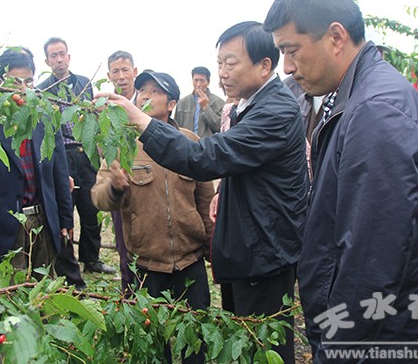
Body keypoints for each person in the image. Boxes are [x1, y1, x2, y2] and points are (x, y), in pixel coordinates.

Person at [96, 21, 308, 364]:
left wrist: (140, 120)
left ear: (264, 65)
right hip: (236, 254)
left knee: (259, 346)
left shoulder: (274, 111)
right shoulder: (249, 107)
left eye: (230, 63)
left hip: (263, 256)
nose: (221, 72)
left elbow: (204, 158)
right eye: (219, 62)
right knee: (239, 341)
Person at [263, 0, 418, 361]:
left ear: (336, 37)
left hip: (375, 339)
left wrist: (338, 348)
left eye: (291, 50)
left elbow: (371, 259)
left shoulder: (376, 110)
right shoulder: (355, 95)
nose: (287, 67)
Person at [92, 71, 215, 363]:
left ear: (171, 104)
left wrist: (211, 247)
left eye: (155, 91)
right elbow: (98, 197)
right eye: (143, 90)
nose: (146, 96)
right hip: (147, 265)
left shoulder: (189, 141)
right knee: (153, 346)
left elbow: (205, 201)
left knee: (195, 342)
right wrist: (115, 187)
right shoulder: (123, 144)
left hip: (190, 262)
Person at [0, 48, 76, 290]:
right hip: (3, 226)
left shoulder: (44, 117)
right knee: (7, 296)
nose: (23, 89)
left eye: (28, 82)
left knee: (45, 292)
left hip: (42, 221)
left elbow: (58, 173)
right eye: (15, 82)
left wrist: (65, 217)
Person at [37, 37, 115, 276]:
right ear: (47, 61)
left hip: (86, 154)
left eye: (62, 54)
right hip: (62, 156)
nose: (59, 59)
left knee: (91, 208)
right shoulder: (42, 90)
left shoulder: (84, 83)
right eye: (54, 56)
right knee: (64, 210)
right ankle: (65, 261)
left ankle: (92, 259)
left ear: (69, 57)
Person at [105, 50, 138, 294]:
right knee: (123, 238)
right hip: (121, 183)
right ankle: (128, 291)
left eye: (125, 69)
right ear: (109, 76)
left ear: (134, 72)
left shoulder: (147, 102)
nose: (121, 76)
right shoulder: (105, 108)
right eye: (115, 71)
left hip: (149, 181)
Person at [174, 66, 225, 137]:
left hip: (207, 143)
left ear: (208, 82)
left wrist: (206, 108)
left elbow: (220, 128)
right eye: (196, 80)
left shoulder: (219, 103)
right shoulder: (182, 103)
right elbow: (175, 128)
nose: (198, 84)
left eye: (202, 81)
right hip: (186, 142)